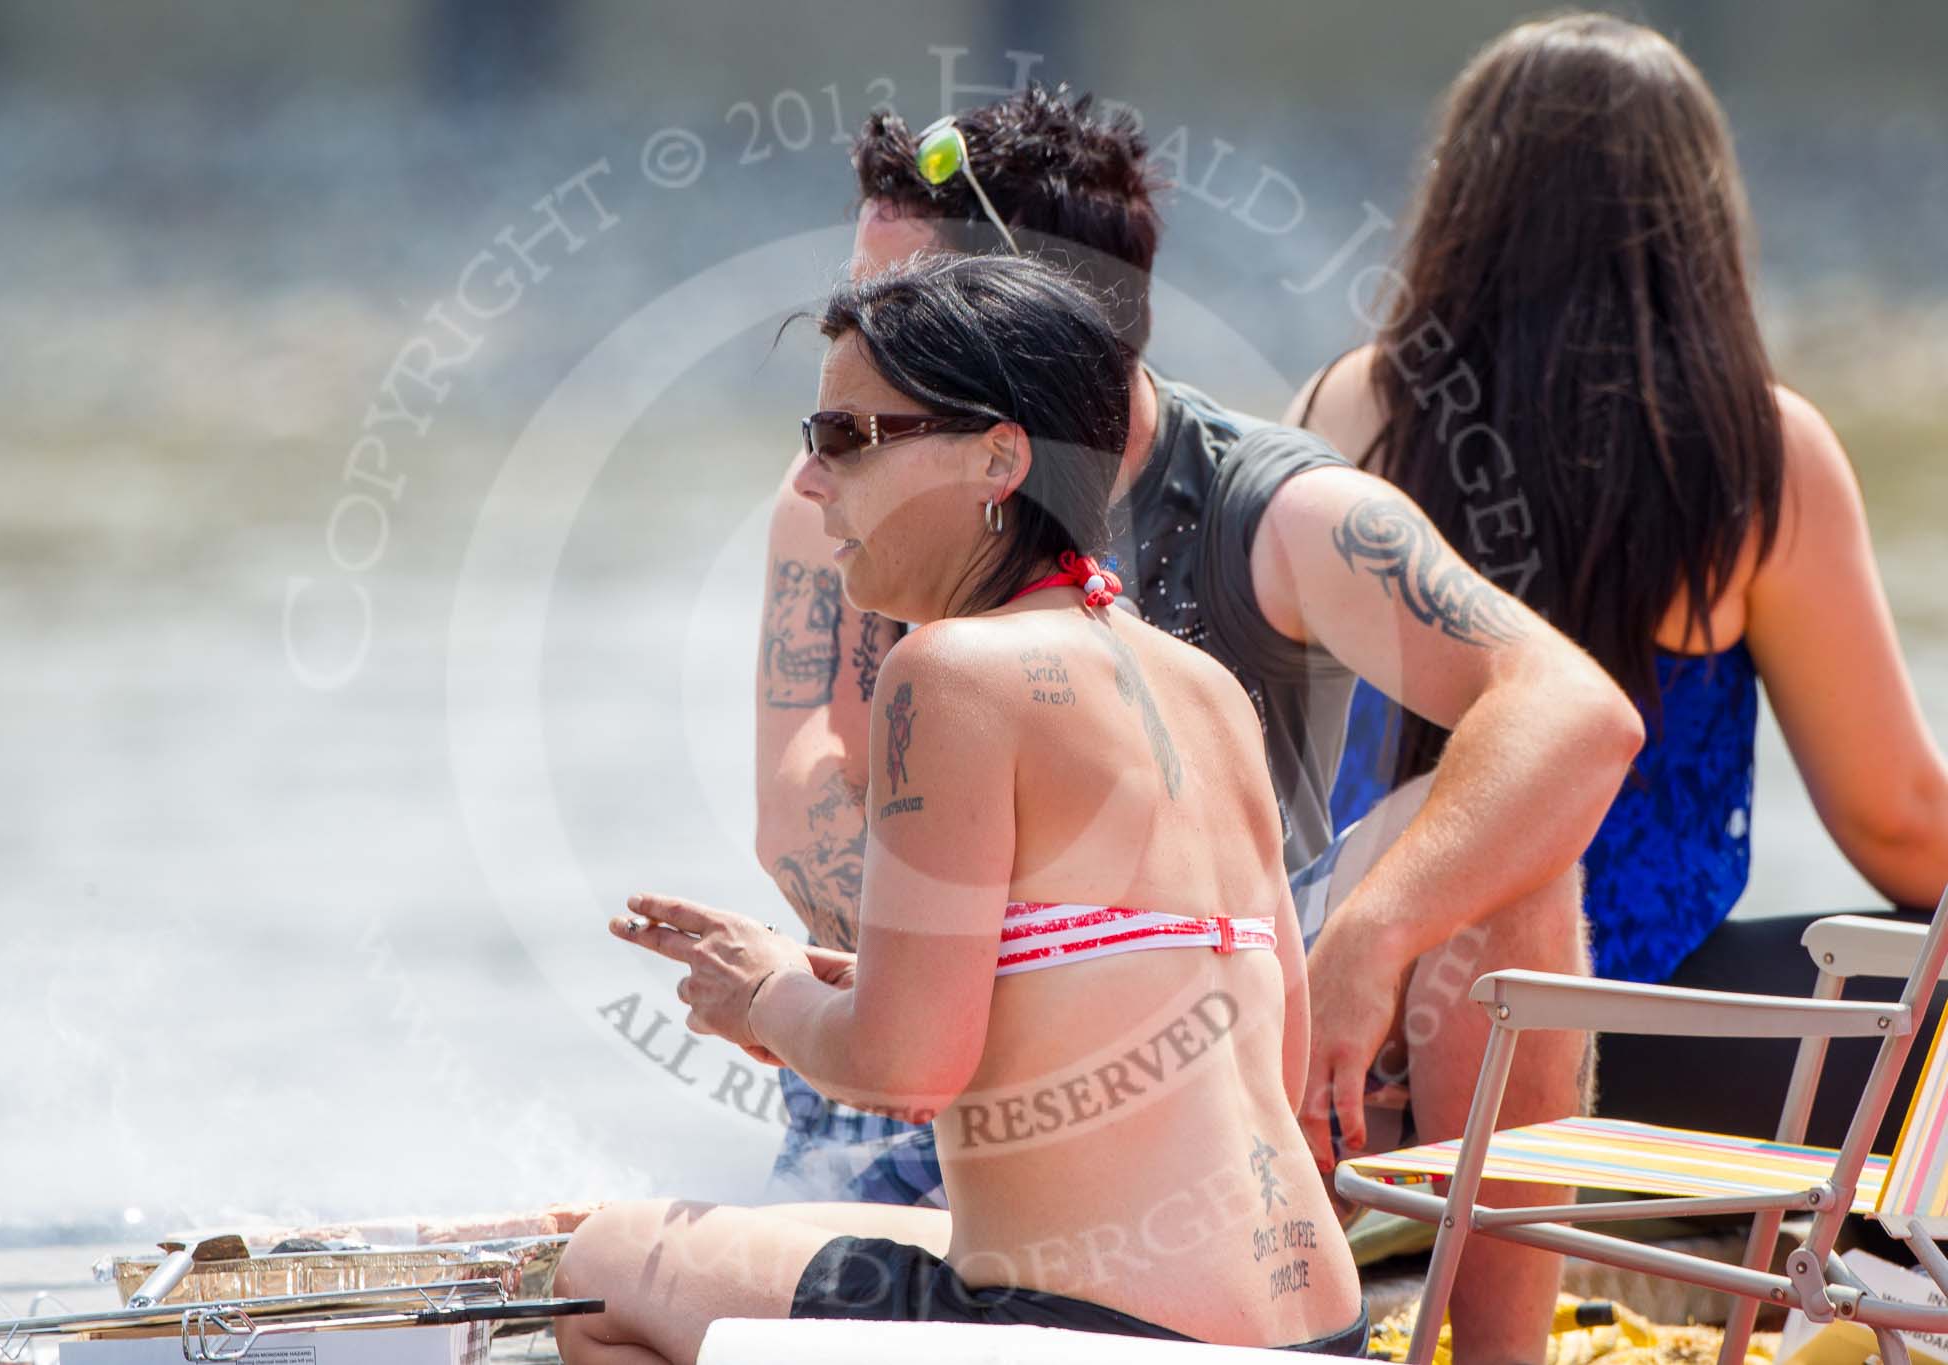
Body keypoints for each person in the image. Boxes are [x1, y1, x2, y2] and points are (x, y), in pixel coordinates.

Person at [755, 87, 1642, 1362]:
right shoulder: (838, 492)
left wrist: (1374, 937)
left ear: (1029, 327)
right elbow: (797, 792)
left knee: (1522, 864)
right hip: (933, 1030)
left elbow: (1571, 711)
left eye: (897, 302)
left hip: (1238, 1046)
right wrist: (964, 961)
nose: (850, 347)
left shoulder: (1276, 506)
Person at [555, 254, 1367, 1362]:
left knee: (594, 1274)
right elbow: (1267, 1059)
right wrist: (871, 986)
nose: (806, 480)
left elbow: (903, 1072)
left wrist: (766, 999)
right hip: (1315, 1328)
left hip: (1103, 1338)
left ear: (996, 456)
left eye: (844, 437)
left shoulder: (948, 674)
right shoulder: (1204, 690)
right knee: (776, 1229)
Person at [1290, 13, 1948, 1138]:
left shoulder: (1353, 404)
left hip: (1366, 1009)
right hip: (1620, 1036)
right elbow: (1894, 823)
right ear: (1692, 217)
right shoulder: (1752, 447)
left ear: (1463, 203)